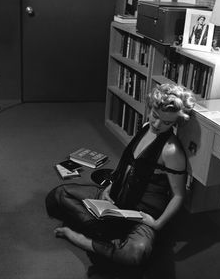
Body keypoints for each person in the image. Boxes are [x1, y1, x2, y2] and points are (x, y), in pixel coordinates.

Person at [45, 83, 195, 275]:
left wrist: (156, 224)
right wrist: (110, 186)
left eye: (167, 123)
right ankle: (106, 232)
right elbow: (127, 165)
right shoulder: (146, 127)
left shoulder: (172, 151)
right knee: (59, 194)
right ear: (151, 108)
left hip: (143, 215)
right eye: (155, 116)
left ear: (175, 123)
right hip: (116, 198)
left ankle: (79, 237)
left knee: (134, 254)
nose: (157, 125)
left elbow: (179, 196)